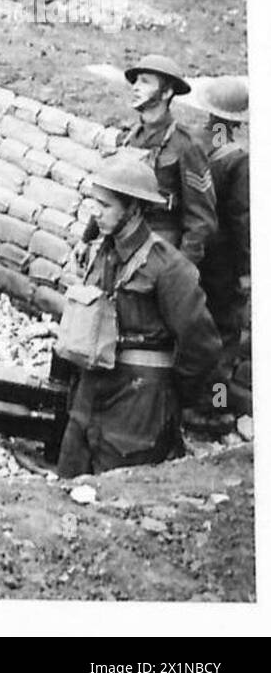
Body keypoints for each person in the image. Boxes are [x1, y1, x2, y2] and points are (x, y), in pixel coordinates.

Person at [55, 155, 223, 477]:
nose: (96, 214)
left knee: (119, 498)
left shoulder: (168, 267)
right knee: (68, 487)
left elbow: (203, 346)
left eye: (105, 206)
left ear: (133, 208)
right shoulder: (101, 252)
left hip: (137, 406)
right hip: (90, 395)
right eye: (94, 204)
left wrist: (169, 394)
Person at [187, 75, 251, 417]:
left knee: (194, 329)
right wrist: (246, 271)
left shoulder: (194, 142)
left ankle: (185, 399)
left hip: (193, 251)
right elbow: (242, 220)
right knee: (224, 337)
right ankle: (214, 409)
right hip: (223, 263)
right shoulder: (237, 159)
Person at [119, 54, 217, 266]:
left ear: (167, 92)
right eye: (135, 81)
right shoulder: (128, 139)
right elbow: (111, 196)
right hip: (124, 243)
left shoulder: (187, 146)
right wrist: (87, 238)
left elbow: (201, 221)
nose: (135, 86)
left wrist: (180, 269)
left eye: (145, 81)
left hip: (161, 250)